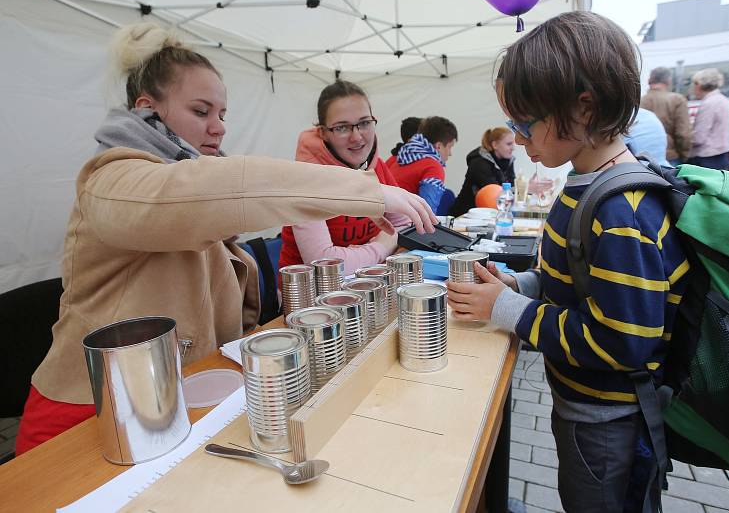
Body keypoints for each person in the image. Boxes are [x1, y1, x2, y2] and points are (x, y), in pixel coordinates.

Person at [16, 24, 436, 455]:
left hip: (174, 403)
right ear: (147, 109)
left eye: (222, 115)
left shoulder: (191, 184)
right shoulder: (111, 180)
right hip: (90, 415)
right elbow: (214, 187)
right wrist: (369, 192)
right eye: (201, 112)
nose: (217, 128)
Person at [446, 12, 688, 513]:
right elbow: (576, 278)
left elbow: (623, 341)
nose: (518, 135)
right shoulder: (584, 184)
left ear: (583, 108)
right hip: (585, 407)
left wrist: (507, 310)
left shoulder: (621, 212)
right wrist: (519, 285)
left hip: (609, 423)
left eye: (524, 122)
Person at [279, 80, 408, 275]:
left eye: (364, 123)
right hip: (309, 298)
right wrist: (381, 246)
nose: (356, 137)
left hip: (369, 284)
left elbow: (404, 226)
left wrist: (362, 255)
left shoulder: (377, 166)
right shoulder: (304, 180)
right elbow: (325, 266)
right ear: (323, 133)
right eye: (342, 127)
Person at [388, 116, 458, 213]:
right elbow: (427, 212)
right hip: (404, 225)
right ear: (438, 146)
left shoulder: (397, 159)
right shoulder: (433, 167)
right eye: (450, 147)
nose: (450, 153)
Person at [449, 127, 516, 216]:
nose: (513, 148)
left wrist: (522, 188)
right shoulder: (479, 163)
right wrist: (520, 189)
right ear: (495, 145)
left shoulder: (507, 161)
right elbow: (495, 194)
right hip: (465, 215)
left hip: (488, 214)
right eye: (509, 144)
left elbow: (510, 186)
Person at [641, 67, 692, 165]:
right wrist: (684, 155)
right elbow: (683, 134)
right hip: (670, 157)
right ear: (669, 81)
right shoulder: (677, 100)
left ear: (649, 81)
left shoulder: (639, 101)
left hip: (644, 159)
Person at [687, 68, 729, 170]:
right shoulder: (723, 99)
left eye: (693, 84)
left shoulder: (709, 103)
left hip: (708, 157)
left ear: (699, 85)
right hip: (722, 153)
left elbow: (699, 137)